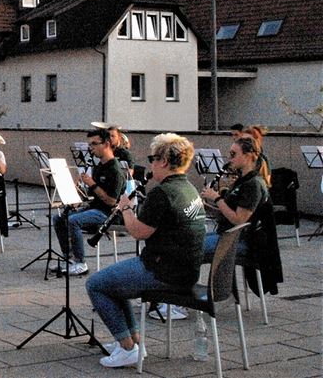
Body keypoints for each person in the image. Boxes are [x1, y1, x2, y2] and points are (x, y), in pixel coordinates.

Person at [86, 133, 205, 368]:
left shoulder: (162, 193)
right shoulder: (188, 188)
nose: (150, 164)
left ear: (163, 161)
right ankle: (131, 340)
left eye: (152, 158)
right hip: (185, 270)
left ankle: (128, 348)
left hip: (164, 272)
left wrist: (127, 208)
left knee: (96, 284)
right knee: (115, 283)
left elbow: (139, 232)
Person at [50, 129, 126, 276]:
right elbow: (93, 196)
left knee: (73, 220)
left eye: (94, 144)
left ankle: (81, 263)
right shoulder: (99, 167)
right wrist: (79, 195)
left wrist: (91, 183)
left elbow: (110, 201)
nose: (91, 148)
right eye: (90, 145)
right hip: (95, 208)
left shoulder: (114, 169)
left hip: (108, 213)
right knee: (58, 218)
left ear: (106, 144)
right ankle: (69, 258)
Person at [200, 136, 268, 261]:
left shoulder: (253, 184)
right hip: (228, 235)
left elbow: (239, 220)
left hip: (240, 240)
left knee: (191, 247)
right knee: (189, 240)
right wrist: (205, 207)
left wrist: (216, 198)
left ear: (248, 156)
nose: (230, 159)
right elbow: (226, 213)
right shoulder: (242, 181)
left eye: (233, 154)